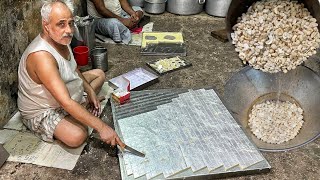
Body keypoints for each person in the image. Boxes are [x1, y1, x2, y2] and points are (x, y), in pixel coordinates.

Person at [17, 0, 124, 148]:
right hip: (43, 110)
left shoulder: (62, 39)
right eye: (61, 24)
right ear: (46, 25)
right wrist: (102, 127)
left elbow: (74, 69)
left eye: (70, 23)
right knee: (78, 136)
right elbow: (65, 102)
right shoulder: (41, 56)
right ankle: (77, 111)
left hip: (62, 90)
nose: (68, 30)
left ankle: (79, 109)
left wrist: (90, 91)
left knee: (99, 74)